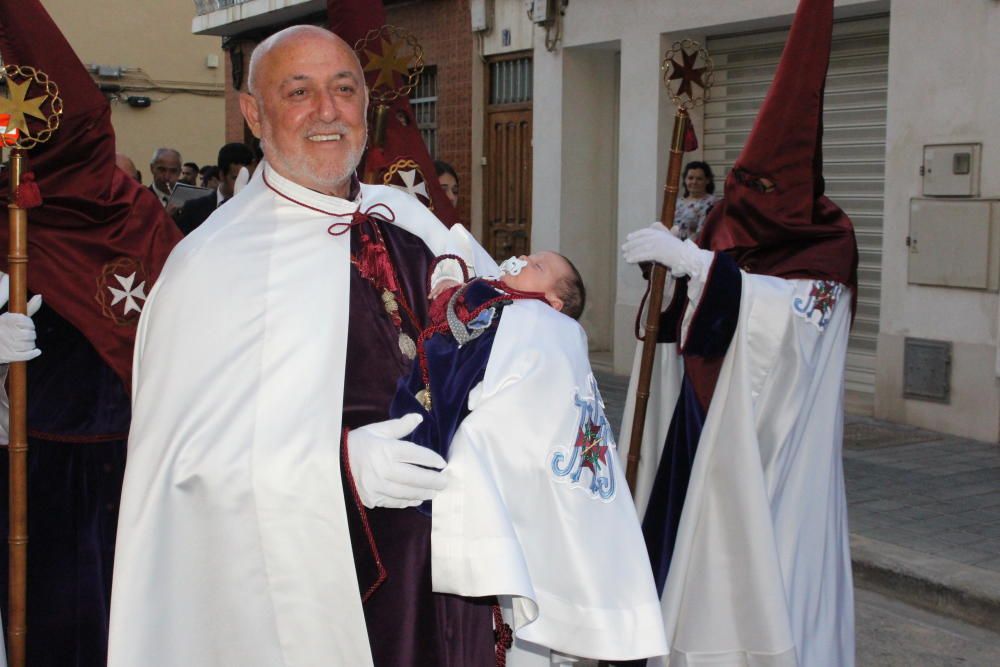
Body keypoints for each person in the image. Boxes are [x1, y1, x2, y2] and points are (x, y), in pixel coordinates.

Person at [108, 25, 504, 667]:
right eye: (299, 91)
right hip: (326, 585)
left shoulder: (409, 219)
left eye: (344, 88)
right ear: (253, 114)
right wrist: (340, 464)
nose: (327, 111)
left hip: (452, 564)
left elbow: (504, 336)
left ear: (365, 108)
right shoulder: (212, 263)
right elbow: (181, 470)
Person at [619, 0, 856, 665]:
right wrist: (670, 275)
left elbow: (794, 325)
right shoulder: (737, 223)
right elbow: (697, 326)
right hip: (714, 441)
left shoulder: (830, 249)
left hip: (782, 467)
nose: (751, 197)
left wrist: (702, 268)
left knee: (770, 580)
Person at [388, 252, 668, 665]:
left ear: (554, 303)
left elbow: (453, 336)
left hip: (504, 465)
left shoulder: (523, 316)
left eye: (537, 267)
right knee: (545, 570)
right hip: (542, 473)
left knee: (516, 593)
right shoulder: (549, 328)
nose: (522, 261)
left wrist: (450, 286)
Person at [176, 143, 256, 235]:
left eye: (249, 178)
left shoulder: (259, 209)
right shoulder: (193, 210)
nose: (244, 184)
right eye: (236, 178)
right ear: (221, 175)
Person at [672, 160, 717, 241]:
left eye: (699, 179)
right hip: (673, 248)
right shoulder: (678, 202)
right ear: (685, 180)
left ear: (707, 180)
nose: (694, 182)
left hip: (693, 250)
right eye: (690, 178)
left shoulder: (711, 203)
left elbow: (702, 233)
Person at [148, 147, 182, 215]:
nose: (167, 176)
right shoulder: (142, 198)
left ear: (179, 173)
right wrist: (166, 216)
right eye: (162, 170)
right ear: (152, 168)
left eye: (173, 171)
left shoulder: (185, 199)